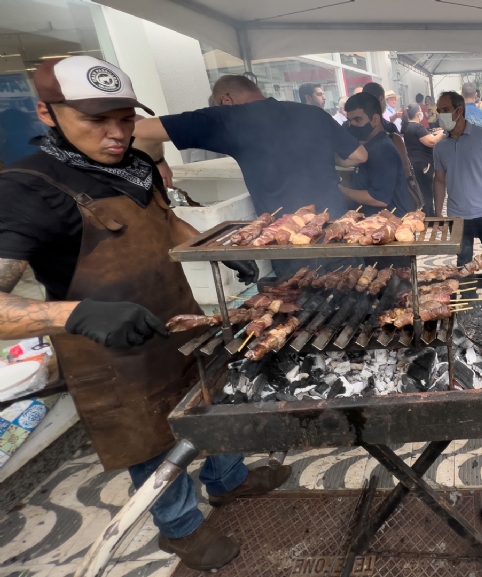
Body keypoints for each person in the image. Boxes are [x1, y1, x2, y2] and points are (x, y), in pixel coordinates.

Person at [0, 56, 280, 571]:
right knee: (149, 434)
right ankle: (180, 530)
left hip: (178, 318)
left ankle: (229, 481)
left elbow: (165, 221)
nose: (116, 134)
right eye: (96, 120)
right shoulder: (26, 187)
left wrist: (212, 247)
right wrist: (76, 315)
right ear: (46, 112)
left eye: (125, 118)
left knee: (211, 403)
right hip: (110, 349)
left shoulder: (137, 165)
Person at [134, 74, 367, 277]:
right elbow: (358, 156)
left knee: (301, 308)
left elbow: (138, 130)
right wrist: (324, 155)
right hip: (335, 231)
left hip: (285, 242)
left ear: (226, 100)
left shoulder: (227, 118)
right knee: (354, 298)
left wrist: (158, 161)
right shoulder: (313, 114)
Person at [432, 91, 482, 299]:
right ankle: (468, 304)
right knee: (464, 264)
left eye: (445, 110)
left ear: (459, 110)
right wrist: (438, 214)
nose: (440, 115)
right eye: (439, 111)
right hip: (458, 217)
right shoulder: (440, 146)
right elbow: (439, 180)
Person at [339, 93, 412, 218]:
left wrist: (343, 190)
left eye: (358, 119)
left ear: (375, 119)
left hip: (389, 227)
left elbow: (379, 198)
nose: (352, 125)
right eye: (350, 120)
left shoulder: (383, 150)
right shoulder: (371, 145)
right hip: (376, 223)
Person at [401, 102, 443, 216]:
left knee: (420, 190)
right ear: (417, 113)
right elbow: (431, 142)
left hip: (414, 163)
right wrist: (442, 133)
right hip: (423, 164)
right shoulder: (417, 126)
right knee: (426, 190)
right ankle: (428, 214)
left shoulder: (407, 126)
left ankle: (425, 213)